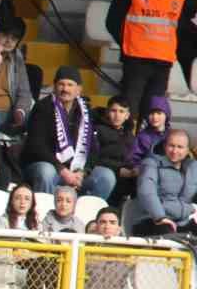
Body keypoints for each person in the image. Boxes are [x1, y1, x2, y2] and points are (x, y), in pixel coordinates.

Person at [107, 0, 187, 122]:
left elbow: (178, 26)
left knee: (154, 113)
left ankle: (143, 148)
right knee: (129, 110)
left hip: (163, 61)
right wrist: (127, 44)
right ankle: (125, 146)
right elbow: (112, 22)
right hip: (136, 59)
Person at [23, 67, 112, 198]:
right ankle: (43, 213)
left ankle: (91, 216)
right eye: (61, 84)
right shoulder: (43, 107)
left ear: (79, 89)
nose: (65, 89)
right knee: (45, 172)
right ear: (54, 86)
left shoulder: (85, 111)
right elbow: (37, 147)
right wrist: (63, 171)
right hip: (49, 166)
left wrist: (83, 172)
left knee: (106, 176)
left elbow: (93, 148)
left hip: (75, 170)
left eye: (70, 85)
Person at [132, 128, 197, 236]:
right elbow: (146, 192)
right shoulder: (151, 164)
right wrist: (160, 217)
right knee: (167, 234)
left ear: (187, 150)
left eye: (180, 147)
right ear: (165, 146)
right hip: (152, 220)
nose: (175, 151)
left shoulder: (193, 168)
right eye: (171, 146)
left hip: (183, 221)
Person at [95, 94, 138, 203]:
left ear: (127, 115)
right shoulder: (97, 130)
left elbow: (132, 158)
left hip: (125, 178)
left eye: (121, 111)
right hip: (103, 174)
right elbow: (93, 158)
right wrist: (118, 170)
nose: (117, 115)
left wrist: (135, 169)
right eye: (114, 110)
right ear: (107, 112)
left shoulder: (129, 136)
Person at [130, 96, 170, 170]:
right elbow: (134, 158)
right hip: (149, 171)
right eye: (151, 113)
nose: (155, 117)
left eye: (159, 113)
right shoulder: (142, 137)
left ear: (166, 115)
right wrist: (137, 167)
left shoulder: (172, 135)